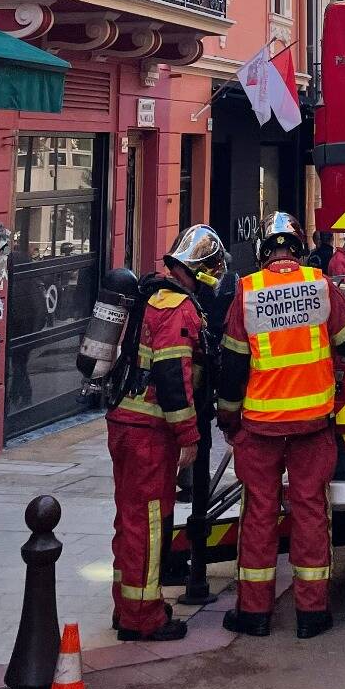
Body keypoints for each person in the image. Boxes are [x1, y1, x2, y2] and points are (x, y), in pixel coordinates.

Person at [216, 211, 345, 638]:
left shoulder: (246, 293)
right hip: (312, 426)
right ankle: (312, 614)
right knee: (309, 511)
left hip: (260, 426)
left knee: (259, 514)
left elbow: (232, 366)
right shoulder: (320, 286)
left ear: (263, 251)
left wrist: (228, 418)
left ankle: (254, 614)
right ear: (298, 247)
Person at [105, 223, 224, 642]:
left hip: (125, 423)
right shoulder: (177, 307)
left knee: (131, 518)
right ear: (200, 268)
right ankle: (143, 617)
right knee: (150, 524)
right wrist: (188, 435)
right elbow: (174, 375)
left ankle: (127, 605)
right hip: (149, 432)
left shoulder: (149, 295)